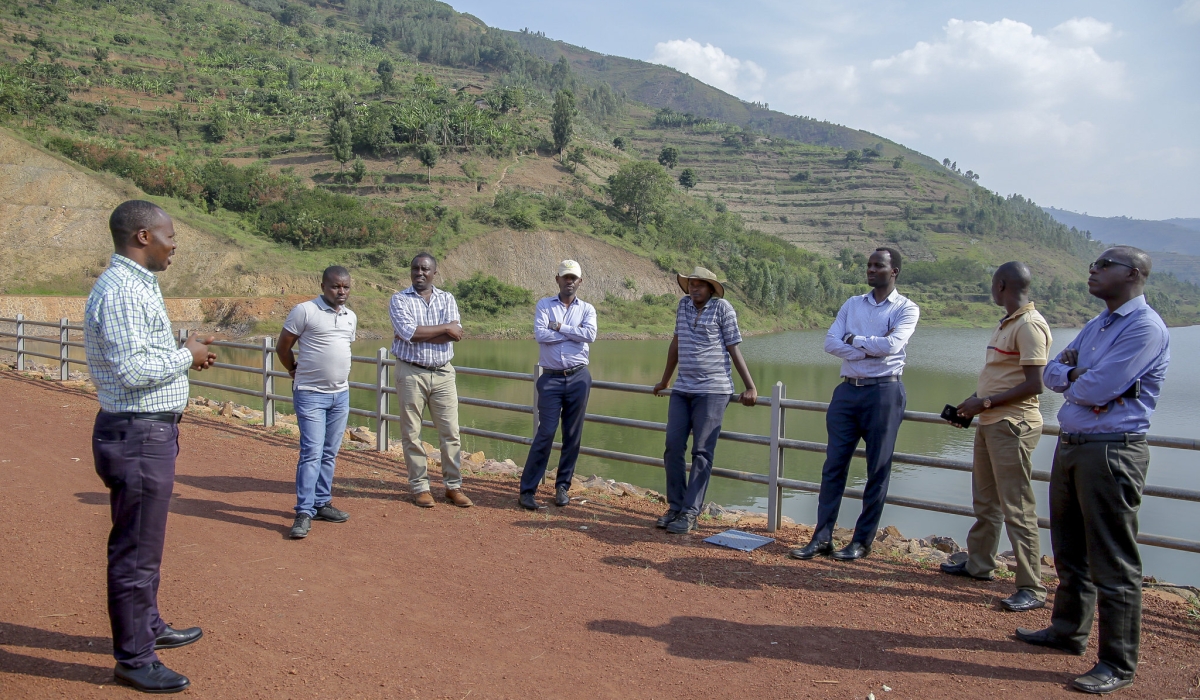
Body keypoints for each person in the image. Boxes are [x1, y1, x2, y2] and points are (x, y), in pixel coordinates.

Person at [1016, 246, 1169, 695]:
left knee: (1114, 560)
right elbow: (1053, 374)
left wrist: (1079, 377)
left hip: (1112, 451)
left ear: (1134, 273)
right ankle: (1067, 631)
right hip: (1073, 446)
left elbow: (1099, 386)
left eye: (1104, 265)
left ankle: (1118, 663)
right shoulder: (1098, 324)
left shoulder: (1145, 328)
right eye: (1095, 264)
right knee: (1069, 549)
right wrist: (1079, 376)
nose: (1093, 270)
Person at [84, 200, 216, 694]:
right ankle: (134, 658)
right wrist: (185, 355)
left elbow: (142, 354)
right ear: (143, 237)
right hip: (137, 433)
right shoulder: (120, 292)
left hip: (148, 431)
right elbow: (132, 372)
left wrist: (184, 351)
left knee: (146, 543)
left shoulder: (138, 285)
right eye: (170, 235)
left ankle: (148, 625)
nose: (174, 244)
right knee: (137, 548)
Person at [790, 247, 918, 562]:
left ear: (894, 272)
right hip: (847, 392)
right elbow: (830, 342)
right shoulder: (852, 304)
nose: (871, 270)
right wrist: (864, 348)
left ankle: (861, 542)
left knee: (877, 470)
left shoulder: (906, 309)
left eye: (879, 266)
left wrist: (853, 341)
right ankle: (822, 539)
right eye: (869, 265)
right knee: (833, 466)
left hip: (884, 393)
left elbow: (891, 346)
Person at [939, 262, 1052, 613]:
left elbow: (1035, 385)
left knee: (1017, 506)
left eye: (992, 284)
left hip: (1012, 425)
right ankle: (980, 564)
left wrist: (983, 402)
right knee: (986, 502)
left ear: (1001, 285)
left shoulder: (1030, 326)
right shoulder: (1008, 323)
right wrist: (972, 407)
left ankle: (1031, 585)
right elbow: (1003, 377)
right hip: (991, 421)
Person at [652, 267, 758, 535]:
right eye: (691, 284)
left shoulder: (723, 308)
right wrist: (665, 381)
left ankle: (690, 513)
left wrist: (750, 386)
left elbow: (733, 346)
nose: (694, 289)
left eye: (700, 285)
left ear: (711, 288)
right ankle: (676, 506)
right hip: (683, 388)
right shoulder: (683, 306)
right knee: (672, 446)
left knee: (701, 451)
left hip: (713, 389)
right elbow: (676, 343)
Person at [276, 266, 357, 539]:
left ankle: (322, 503)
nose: (341, 291)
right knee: (311, 452)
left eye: (346, 287)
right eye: (336, 286)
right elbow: (283, 346)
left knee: (330, 452)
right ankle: (303, 511)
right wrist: (292, 370)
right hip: (310, 393)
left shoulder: (350, 317)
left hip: (340, 395)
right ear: (322, 285)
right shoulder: (305, 311)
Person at [390, 253, 471, 508]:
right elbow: (408, 333)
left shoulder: (447, 298)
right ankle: (420, 487)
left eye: (425, 269)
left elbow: (454, 335)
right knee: (412, 433)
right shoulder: (399, 299)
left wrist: (437, 332)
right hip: (411, 372)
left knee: (451, 433)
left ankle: (453, 486)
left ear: (434, 273)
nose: (419, 273)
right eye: (415, 268)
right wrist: (443, 328)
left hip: (443, 373)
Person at [519, 260, 598, 510]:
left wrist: (560, 327)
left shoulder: (587, 309)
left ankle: (562, 486)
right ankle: (527, 490)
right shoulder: (544, 304)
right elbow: (541, 335)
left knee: (573, 435)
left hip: (578, 377)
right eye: (565, 277)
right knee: (546, 432)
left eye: (573, 277)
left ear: (580, 281)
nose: (569, 281)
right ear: (557, 279)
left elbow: (590, 335)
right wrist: (573, 333)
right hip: (551, 378)